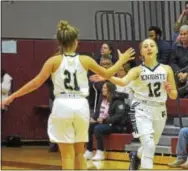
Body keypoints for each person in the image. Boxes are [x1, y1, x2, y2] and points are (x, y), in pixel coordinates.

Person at [1, 20, 135, 170]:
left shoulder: (53, 61)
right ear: (76, 42)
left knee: (67, 155)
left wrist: (11, 97)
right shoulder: (85, 60)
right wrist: (122, 60)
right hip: (80, 105)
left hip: (62, 105)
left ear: (59, 42)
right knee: (79, 153)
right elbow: (109, 73)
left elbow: (35, 83)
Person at [90, 38, 178, 170]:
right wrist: (107, 76)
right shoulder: (137, 70)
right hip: (141, 109)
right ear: (141, 52)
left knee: (151, 145)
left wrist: (170, 90)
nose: (149, 48)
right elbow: (122, 82)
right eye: (146, 46)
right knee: (149, 145)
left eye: (152, 45)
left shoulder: (167, 69)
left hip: (160, 110)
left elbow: (174, 95)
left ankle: (135, 155)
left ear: (157, 50)